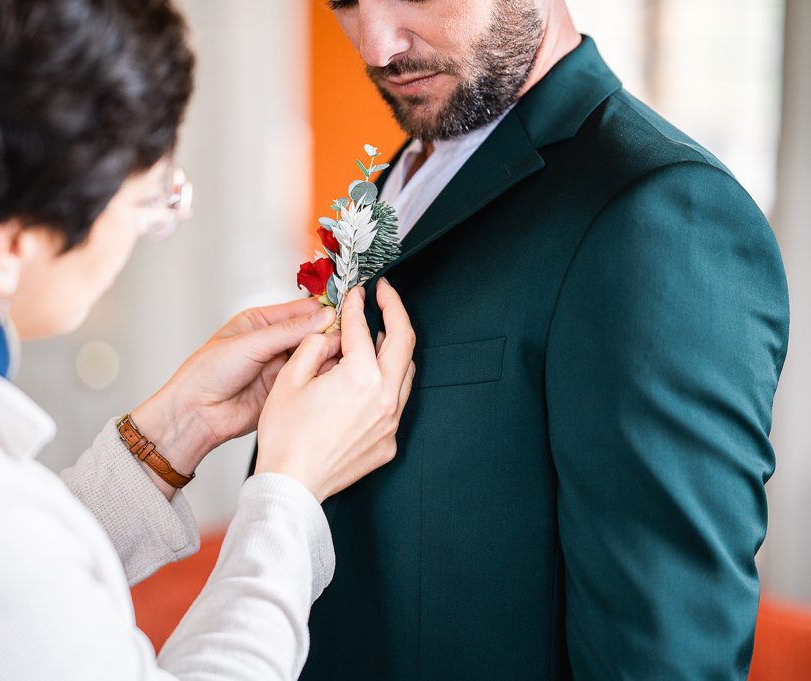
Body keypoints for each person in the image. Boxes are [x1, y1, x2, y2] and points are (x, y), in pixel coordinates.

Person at [0, 1, 417, 680]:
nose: (149, 228)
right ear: (13, 242)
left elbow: (1, 591)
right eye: (149, 202)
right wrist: (288, 495)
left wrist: (171, 433)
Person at [291, 0, 790, 679]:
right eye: (345, 1)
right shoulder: (402, 174)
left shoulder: (661, 216)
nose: (377, 46)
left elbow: (661, 658)